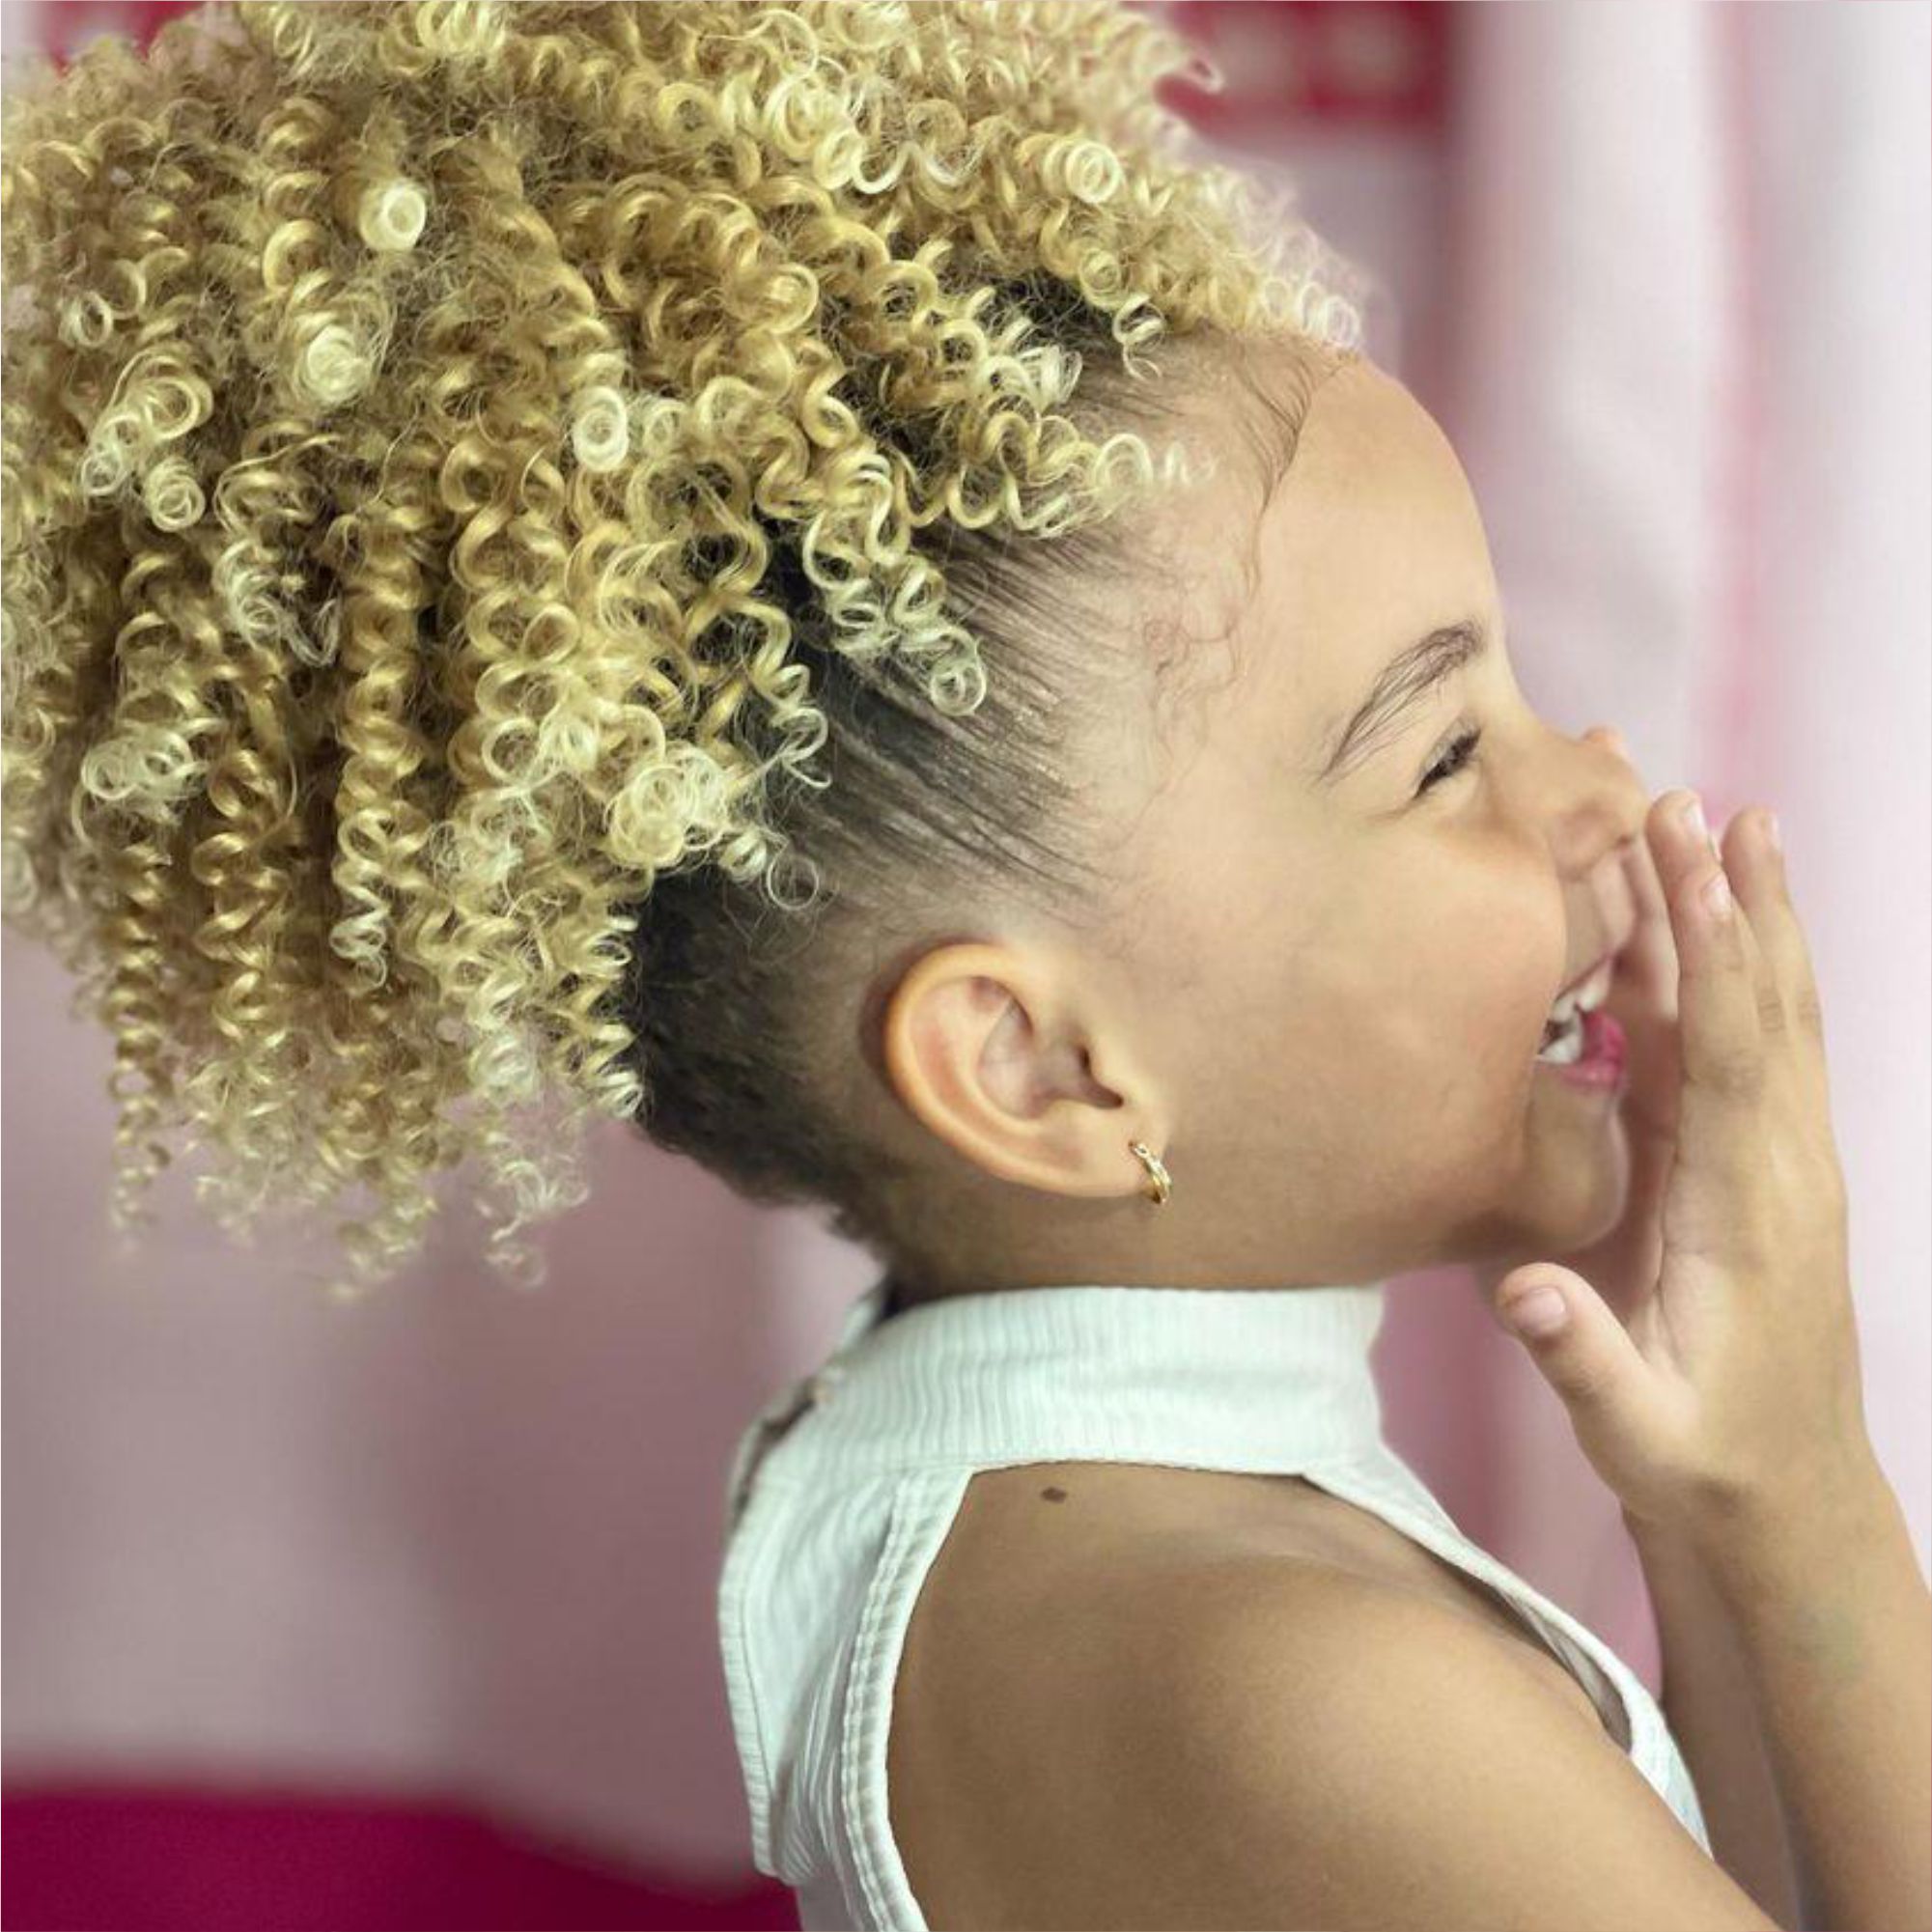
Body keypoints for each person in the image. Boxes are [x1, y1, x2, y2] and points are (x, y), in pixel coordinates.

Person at [4, 5, 1924, 1929]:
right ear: (1034, 1067)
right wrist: (1807, 1484)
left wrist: (1715, 1503)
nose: (1604, 790)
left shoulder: (1031, 1520)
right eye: (1441, 754)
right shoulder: (1294, 1685)